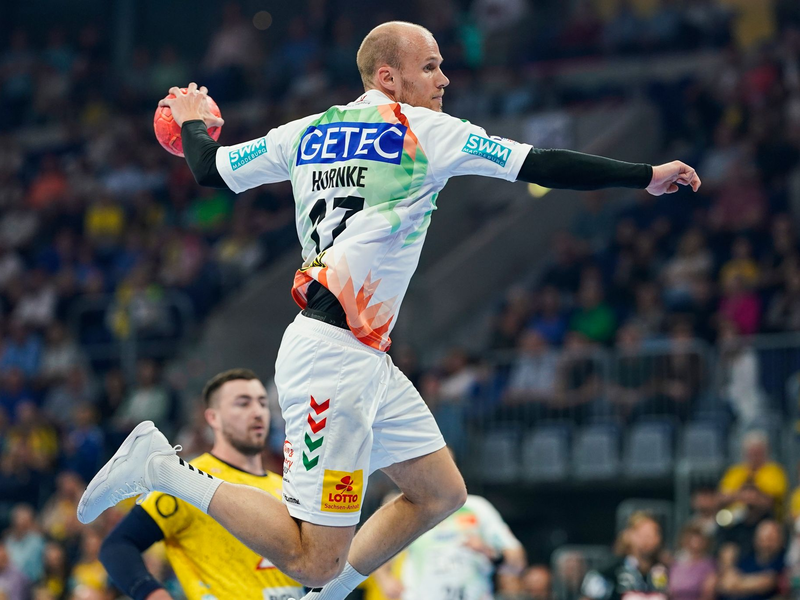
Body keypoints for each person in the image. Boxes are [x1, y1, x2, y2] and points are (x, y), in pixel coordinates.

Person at [78, 20, 701, 599]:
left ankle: (320, 598)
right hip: (331, 359)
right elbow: (542, 164)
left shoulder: (306, 132)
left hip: (361, 355)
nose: (444, 79)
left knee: (440, 492)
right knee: (314, 558)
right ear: (388, 77)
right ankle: (163, 469)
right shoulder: (424, 130)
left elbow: (210, 169)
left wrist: (193, 122)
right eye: (430, 67)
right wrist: (644, 174)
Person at [98, 369, 303, 600]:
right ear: (213, 418)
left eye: (263, 403)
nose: (258, 412)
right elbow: (117, 546)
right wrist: (152, 593)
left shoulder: (286, 486)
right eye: (243, 403)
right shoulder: (189, 480)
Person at [369, 490, 526, 600]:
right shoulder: (415, 510)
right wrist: (385, 580)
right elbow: (377, 551)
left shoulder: (478, 508)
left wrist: (488, 551)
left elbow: (518, 563)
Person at [581, 512, 669, 600]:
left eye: (654, 534)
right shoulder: (611, 571)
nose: (648, 539)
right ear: (629, 535)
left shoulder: (663, 570)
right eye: (643, 534)